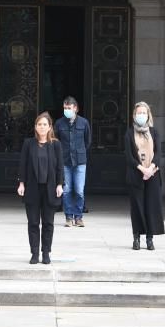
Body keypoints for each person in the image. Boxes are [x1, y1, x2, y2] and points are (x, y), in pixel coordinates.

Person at [17, 112, 64, 264]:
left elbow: (60, 167)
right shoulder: (28, 143)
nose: (42, 127)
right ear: (35, 127)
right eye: (39, 124)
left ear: (50, 127)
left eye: (45, 124)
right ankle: (34, 252)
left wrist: (60, 184)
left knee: (48, 223)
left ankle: (46, 252)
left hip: (50, 188)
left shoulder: (56, 144)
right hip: (32, 188)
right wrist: (21, 183)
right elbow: (22, 165)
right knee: (33, 222)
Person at [126, 102, 165, 251]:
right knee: (137, 208)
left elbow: (159, 153)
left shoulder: (154, 133)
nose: (141, 115)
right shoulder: (129, 133)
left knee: (151, 207)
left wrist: (151, 169)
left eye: (144, 113)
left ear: (148, 115)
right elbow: (129, 156)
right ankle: (136, 238)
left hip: (153, 175)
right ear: (134, 116)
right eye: (138, 113)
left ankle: (150, 238)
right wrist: (142, 169)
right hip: (136, 175)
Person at [55, 96, 91, 228]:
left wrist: (80, 151)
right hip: (64, 161)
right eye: (65, 108)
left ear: (75, 108)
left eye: (69, 108)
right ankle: (69, 217)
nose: (67, 110)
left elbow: (87, 141)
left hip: (80, 161)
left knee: (79, 190)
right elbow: (55, 141)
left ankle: (79, 217)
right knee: (67, 190)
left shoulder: (84, 123)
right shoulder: (59, 123)